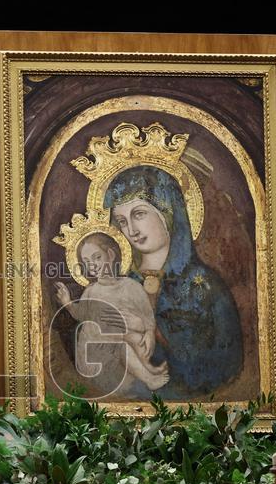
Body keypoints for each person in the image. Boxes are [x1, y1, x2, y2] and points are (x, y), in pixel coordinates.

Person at [104, 166, 243, 398]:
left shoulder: (204, 285)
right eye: (122, 221)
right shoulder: (119, 284)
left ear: (168, 212)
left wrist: (155, 331)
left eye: (139, 214)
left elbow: (225, 363)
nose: (131, 230)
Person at [54, 232, 169, 395]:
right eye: (87, 262)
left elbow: (147, 315)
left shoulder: (132, 286)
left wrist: (149, 332)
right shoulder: (92, 291)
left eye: (97, 257)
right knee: (121, 342)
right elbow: (81, 314)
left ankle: (149, 369)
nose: (92, 265)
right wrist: (67, 302)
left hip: (119, 343)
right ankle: (149, 379)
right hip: (95, 353)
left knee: (136, 338)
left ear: (110, 254)